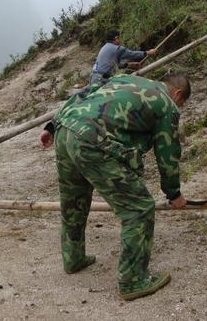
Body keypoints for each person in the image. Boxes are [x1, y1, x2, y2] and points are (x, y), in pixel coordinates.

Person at [39, 73, 190, 301]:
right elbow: (167, 153)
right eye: (181, 103)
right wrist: (174, 193)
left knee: (74, 201)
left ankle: (73, 259)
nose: (179, 107)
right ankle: (133, 281)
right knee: (139, 208)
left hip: (66, 129)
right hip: (90, 138)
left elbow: (82, 93)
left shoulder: (125, 78)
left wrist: (51, 126)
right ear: (178, 94)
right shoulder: (167, 104)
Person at [89, 30, 157, 85]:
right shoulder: (117, 48)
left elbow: (114, 65)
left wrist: (129, 65)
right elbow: (132, 54)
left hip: (93, 78)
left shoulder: (105, 47)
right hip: (101, 79)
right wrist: (148, 52)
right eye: (119, 38)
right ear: (116, 38)